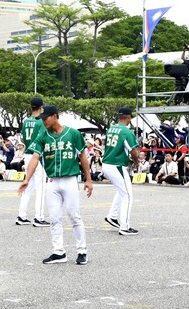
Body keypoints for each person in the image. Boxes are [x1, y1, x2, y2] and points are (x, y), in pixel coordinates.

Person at [18, 105, 93, 265]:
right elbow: (35, 158)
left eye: (46, 117)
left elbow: (83, 157)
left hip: (70, 179)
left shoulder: (73, 133)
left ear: (55, 116)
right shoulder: (42, 136)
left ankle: (82, 251)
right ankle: (59, 252)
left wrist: (88, 179)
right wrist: (26, 179)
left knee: (74, 216)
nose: (43, 121)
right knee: (54, 218)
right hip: (52, 181)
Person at [102, 107, 140, 235]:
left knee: (122, 191)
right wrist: (136, 162)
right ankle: (125, 227)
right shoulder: (127, 132)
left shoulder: (111, 128)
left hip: (107, 163)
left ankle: (112, 216)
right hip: (116, 165)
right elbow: (133, 151)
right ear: (129, 117)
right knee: (128, 196)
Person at [17, 96, 50, 227]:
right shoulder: (41, 122)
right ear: (41, 107)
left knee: (28, 186)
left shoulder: (26, 121)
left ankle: (22, 215)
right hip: (37, 156)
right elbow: (43, 139)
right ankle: (39, 217)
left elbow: (24, 139)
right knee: (41, 187)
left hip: (27, 154)